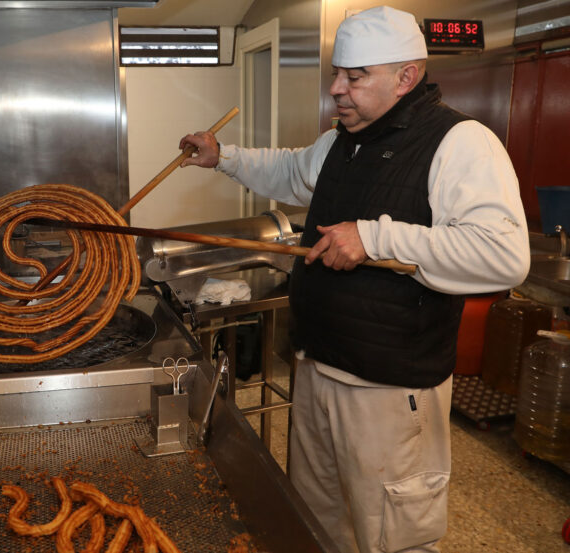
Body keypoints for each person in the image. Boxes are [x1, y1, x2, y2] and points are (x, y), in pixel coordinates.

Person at [178, 6, 530, 553]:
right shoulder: (345, 138)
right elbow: (292, 171)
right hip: (318, 369)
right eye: (337, 74)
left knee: (390, 533)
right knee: (320, 520)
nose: (337, 89)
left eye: (355, 77)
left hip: (389, 390)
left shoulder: (461, 143)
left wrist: (376, 237)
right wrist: (224, 157)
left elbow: (503, 257)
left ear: (406, 77)